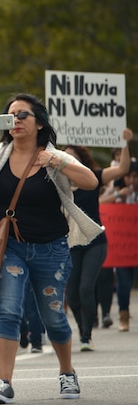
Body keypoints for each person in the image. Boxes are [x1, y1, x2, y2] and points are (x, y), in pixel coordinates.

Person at [0, 93, 103, 404]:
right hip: (9, 248)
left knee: (53, 317)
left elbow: (91, 181)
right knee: (9, 312)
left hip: (51, 251)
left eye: (23, 115)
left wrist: (56, 161)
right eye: (11, 116)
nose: (16, 121)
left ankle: (67, 372)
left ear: (39, 122)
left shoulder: (54, 156)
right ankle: (4, 382)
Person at [63, 128, 133, 347]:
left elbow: (123, 168)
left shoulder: (95, 175)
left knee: (86, 288)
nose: (69, 161)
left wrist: (124, 143)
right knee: (72, 294)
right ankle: (84, 325)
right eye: (65, 157)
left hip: (95, 242)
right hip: (71, 243)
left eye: (73, 157)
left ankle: (86, 336)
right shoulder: (57, 182)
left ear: (81, 159)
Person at [109, 160, 138, 331]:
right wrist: (119, 196)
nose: (132, 180)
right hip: (123, 248)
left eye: (135, 177)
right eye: (128, 176)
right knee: (124, 283)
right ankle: (123, 314)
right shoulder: (116, 192)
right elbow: (100, 202)